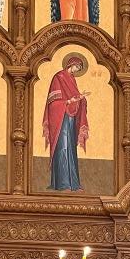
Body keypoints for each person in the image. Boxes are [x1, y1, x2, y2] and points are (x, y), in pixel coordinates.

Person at [43, 55, 90, 192]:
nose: (77, 70)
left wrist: (81, 99)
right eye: (77, 67)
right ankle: (62, 184)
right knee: (62, 147)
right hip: (60, 118)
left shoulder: (72, 79)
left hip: (70, 118)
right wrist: (68, 102)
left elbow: (75, 97)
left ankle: (73, 184)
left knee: (70, 148)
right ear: (71, 64)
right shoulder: (59, 77)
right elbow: (53, 101)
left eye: (79, 68)